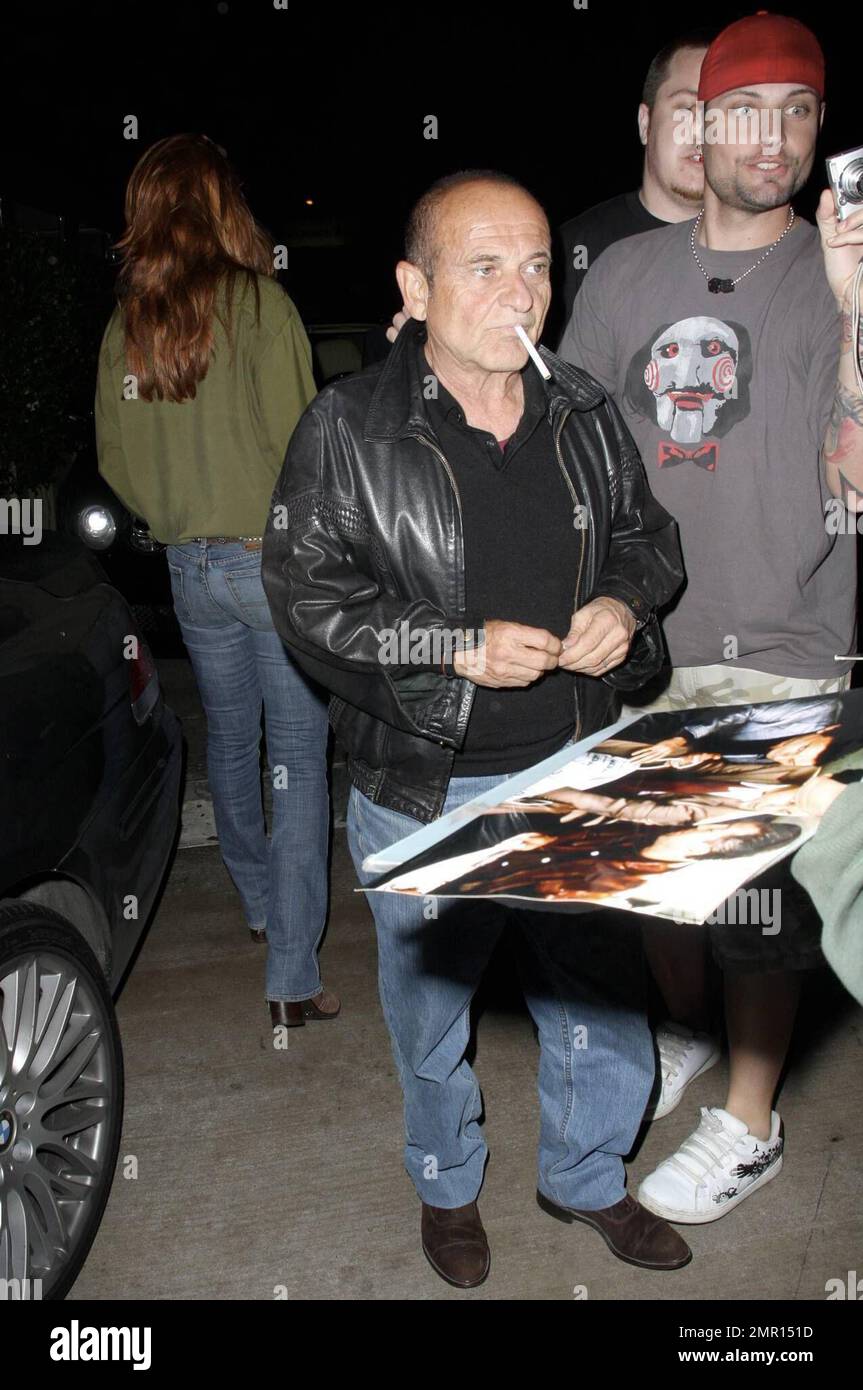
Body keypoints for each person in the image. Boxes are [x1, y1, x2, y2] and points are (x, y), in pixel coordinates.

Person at [263, 169, 687, 1286]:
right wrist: (447, 644)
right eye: (484, 266)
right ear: (414, 284)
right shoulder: (348, 427)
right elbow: (307, 601)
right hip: (422, 785)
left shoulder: (584, 411)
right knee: (431, 1019)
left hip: (576, 765)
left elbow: (651, 540)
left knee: (599, 1002)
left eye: (537, 265)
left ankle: (585, 1176)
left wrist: (623, 604)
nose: (520, 292)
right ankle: (447, 1184)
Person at [560, 11, 863, 1221]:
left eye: (799, 109)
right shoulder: (628, 272)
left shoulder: (836, 277)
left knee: (757, 910)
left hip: (783, 651)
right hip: (644, 642)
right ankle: (684, 1034)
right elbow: (566, 436)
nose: (773, 136)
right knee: (663, 887)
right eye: (747, 109)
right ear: (699, 121)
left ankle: (750, 1117)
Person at [95, 134, 339, 1031]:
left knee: (233, 744)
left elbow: (115, 459)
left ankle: (261, 905)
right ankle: (290, 970)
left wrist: (171, 515)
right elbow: (303, 448)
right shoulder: (260, 304)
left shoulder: (129, 324)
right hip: (268, 562)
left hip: (188, 569)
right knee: (297, 759)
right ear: (219, 203)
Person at [556, 29, 712, 332]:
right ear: (645, 123)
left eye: (719, 114)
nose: (702, 131)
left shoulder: (767, 248)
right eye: (685, 109)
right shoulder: (570, 252)